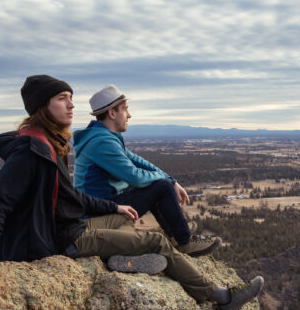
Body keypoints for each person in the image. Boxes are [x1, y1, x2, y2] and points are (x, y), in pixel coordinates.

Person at [0, 75, 263, 310]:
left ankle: (124, 257)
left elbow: (71, 196)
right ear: (42, 107)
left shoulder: (49, 144)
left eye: (71, 98)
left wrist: (115, 206)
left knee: (124, 220)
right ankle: (222, 298)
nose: (71, 105)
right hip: (65, 239)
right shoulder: (30, 150)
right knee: (156, 241)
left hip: (72, 225)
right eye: (62, 99)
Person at [72, 84, 219, 257]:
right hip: (97, 213)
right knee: (160, 187)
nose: (129, 115)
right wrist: (166, 182)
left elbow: (138, 161)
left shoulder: (104, 136)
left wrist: (171, 180)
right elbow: (135, 177)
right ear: (112, 113)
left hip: (105, 203)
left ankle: (175, 232)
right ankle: (184, 241)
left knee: (160, 184)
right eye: (125, 110)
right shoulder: (102, 142)